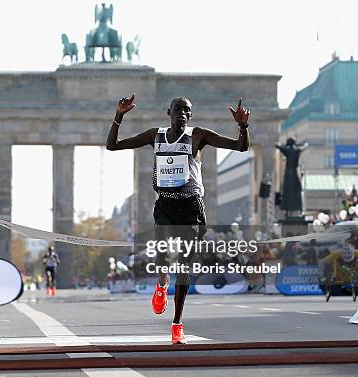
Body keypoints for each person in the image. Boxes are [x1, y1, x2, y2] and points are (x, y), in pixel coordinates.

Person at [106, 93, 250, 344]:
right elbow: (113, 145)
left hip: (191, 205)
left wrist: (242, 126)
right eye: (177, 109)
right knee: (163, 258)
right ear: (168, 112)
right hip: (165, 203)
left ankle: (177, 324)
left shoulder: (198, 136)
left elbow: (240, 147)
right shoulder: (155, 135)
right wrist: (119, 115)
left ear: (190, 115)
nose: (182, 113)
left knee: (184, 266)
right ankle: (162, 283)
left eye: (186, 110)